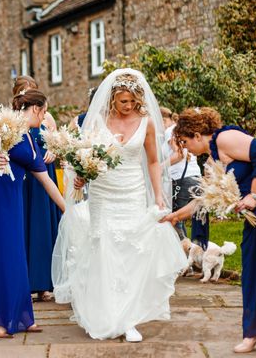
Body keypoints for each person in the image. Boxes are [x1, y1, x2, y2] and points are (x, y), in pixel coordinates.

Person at [162, 107, 256, 357]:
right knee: (254, 263)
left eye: (185, 141)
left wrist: (253, 195)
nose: (185, 148)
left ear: (198, 134)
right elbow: (204, 197)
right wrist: (175, 216)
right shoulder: (211, 159)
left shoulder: (225, 138)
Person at [53, 68, 186, 342]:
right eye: (123, 101)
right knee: (103, 248)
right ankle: (103, 312)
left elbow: (151, 161)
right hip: (103, 193)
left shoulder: (147, 122)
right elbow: (82, 155)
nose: (128, 106)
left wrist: (158, 195)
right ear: (112, 98)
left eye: (132, 101)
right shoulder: (97, 121)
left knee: (130, 253)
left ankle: (128, 318)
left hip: (133, 192)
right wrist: (80, 176)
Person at [0, 89, 66, 338]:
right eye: (44, 112)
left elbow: (46, 180)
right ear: (36, 109)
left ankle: (21, 315)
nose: (45, 118)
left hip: (9, 198)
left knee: (15, 251)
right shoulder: (9, 126)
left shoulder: (31, 137)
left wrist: (67, 210)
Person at [12, 76, 62, 302]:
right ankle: (25, 282)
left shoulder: (46, 116)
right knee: (23, 227)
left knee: (42, 227)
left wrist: (54, 151)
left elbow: (58, 144)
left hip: (44, 176)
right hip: (23, 180)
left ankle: (44, 283)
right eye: (23, 92)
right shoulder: (12, 121)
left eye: (31, 91)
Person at [160, 106, 208, 248]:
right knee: (199, 220)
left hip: (182, 179)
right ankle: (199, 254)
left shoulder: (170, 131)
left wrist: (160, 167)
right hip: (195, 177)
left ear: (163, 120)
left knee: (176, 220)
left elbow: (179, 154)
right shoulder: (176, 130)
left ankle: (183, 257)